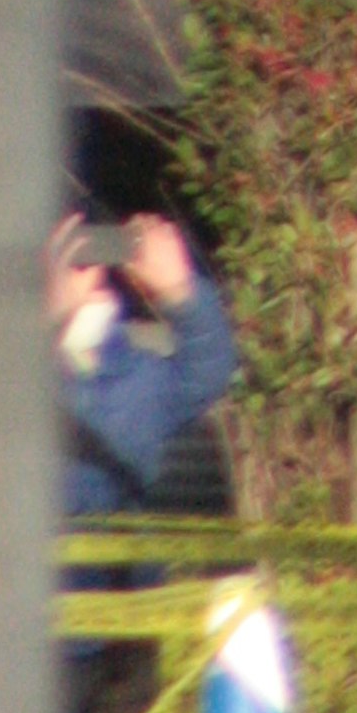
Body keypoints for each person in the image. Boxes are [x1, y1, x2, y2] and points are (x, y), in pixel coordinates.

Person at [54, 211, 239, 523]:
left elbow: (208, 370)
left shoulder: (134, 373)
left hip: (120, 563)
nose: (90, 274)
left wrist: (179, 291)